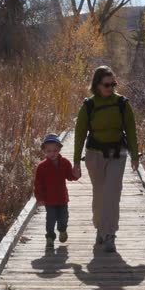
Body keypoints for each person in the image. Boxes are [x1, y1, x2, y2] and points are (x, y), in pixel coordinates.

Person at [72, 66, 138, 253]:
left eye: (113, 84)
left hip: (117, 155)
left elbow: (132, 130)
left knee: (112, 194)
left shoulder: (122, 104)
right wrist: (76, 161)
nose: (111, 88)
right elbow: (79, 134)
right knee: (99, 194)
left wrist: (135, 155)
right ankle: (100, 226)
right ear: (97, 85)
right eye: (107, 85)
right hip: (94, 155)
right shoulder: (89, 106)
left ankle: (110, 235)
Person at [33, 133, 79, 249]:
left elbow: (70, 176)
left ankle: (62, 230)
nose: (52, 153)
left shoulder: (65, 163)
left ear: (59, 149)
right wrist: (40, 198)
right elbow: (38, 184)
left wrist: (76, 175)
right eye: (48, 151)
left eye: (54, 150)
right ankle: (50, 237)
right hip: (49, 200)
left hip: (62, 197)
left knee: (64, 217)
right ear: (44, 151)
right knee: (50, 219)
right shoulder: (42, 167)